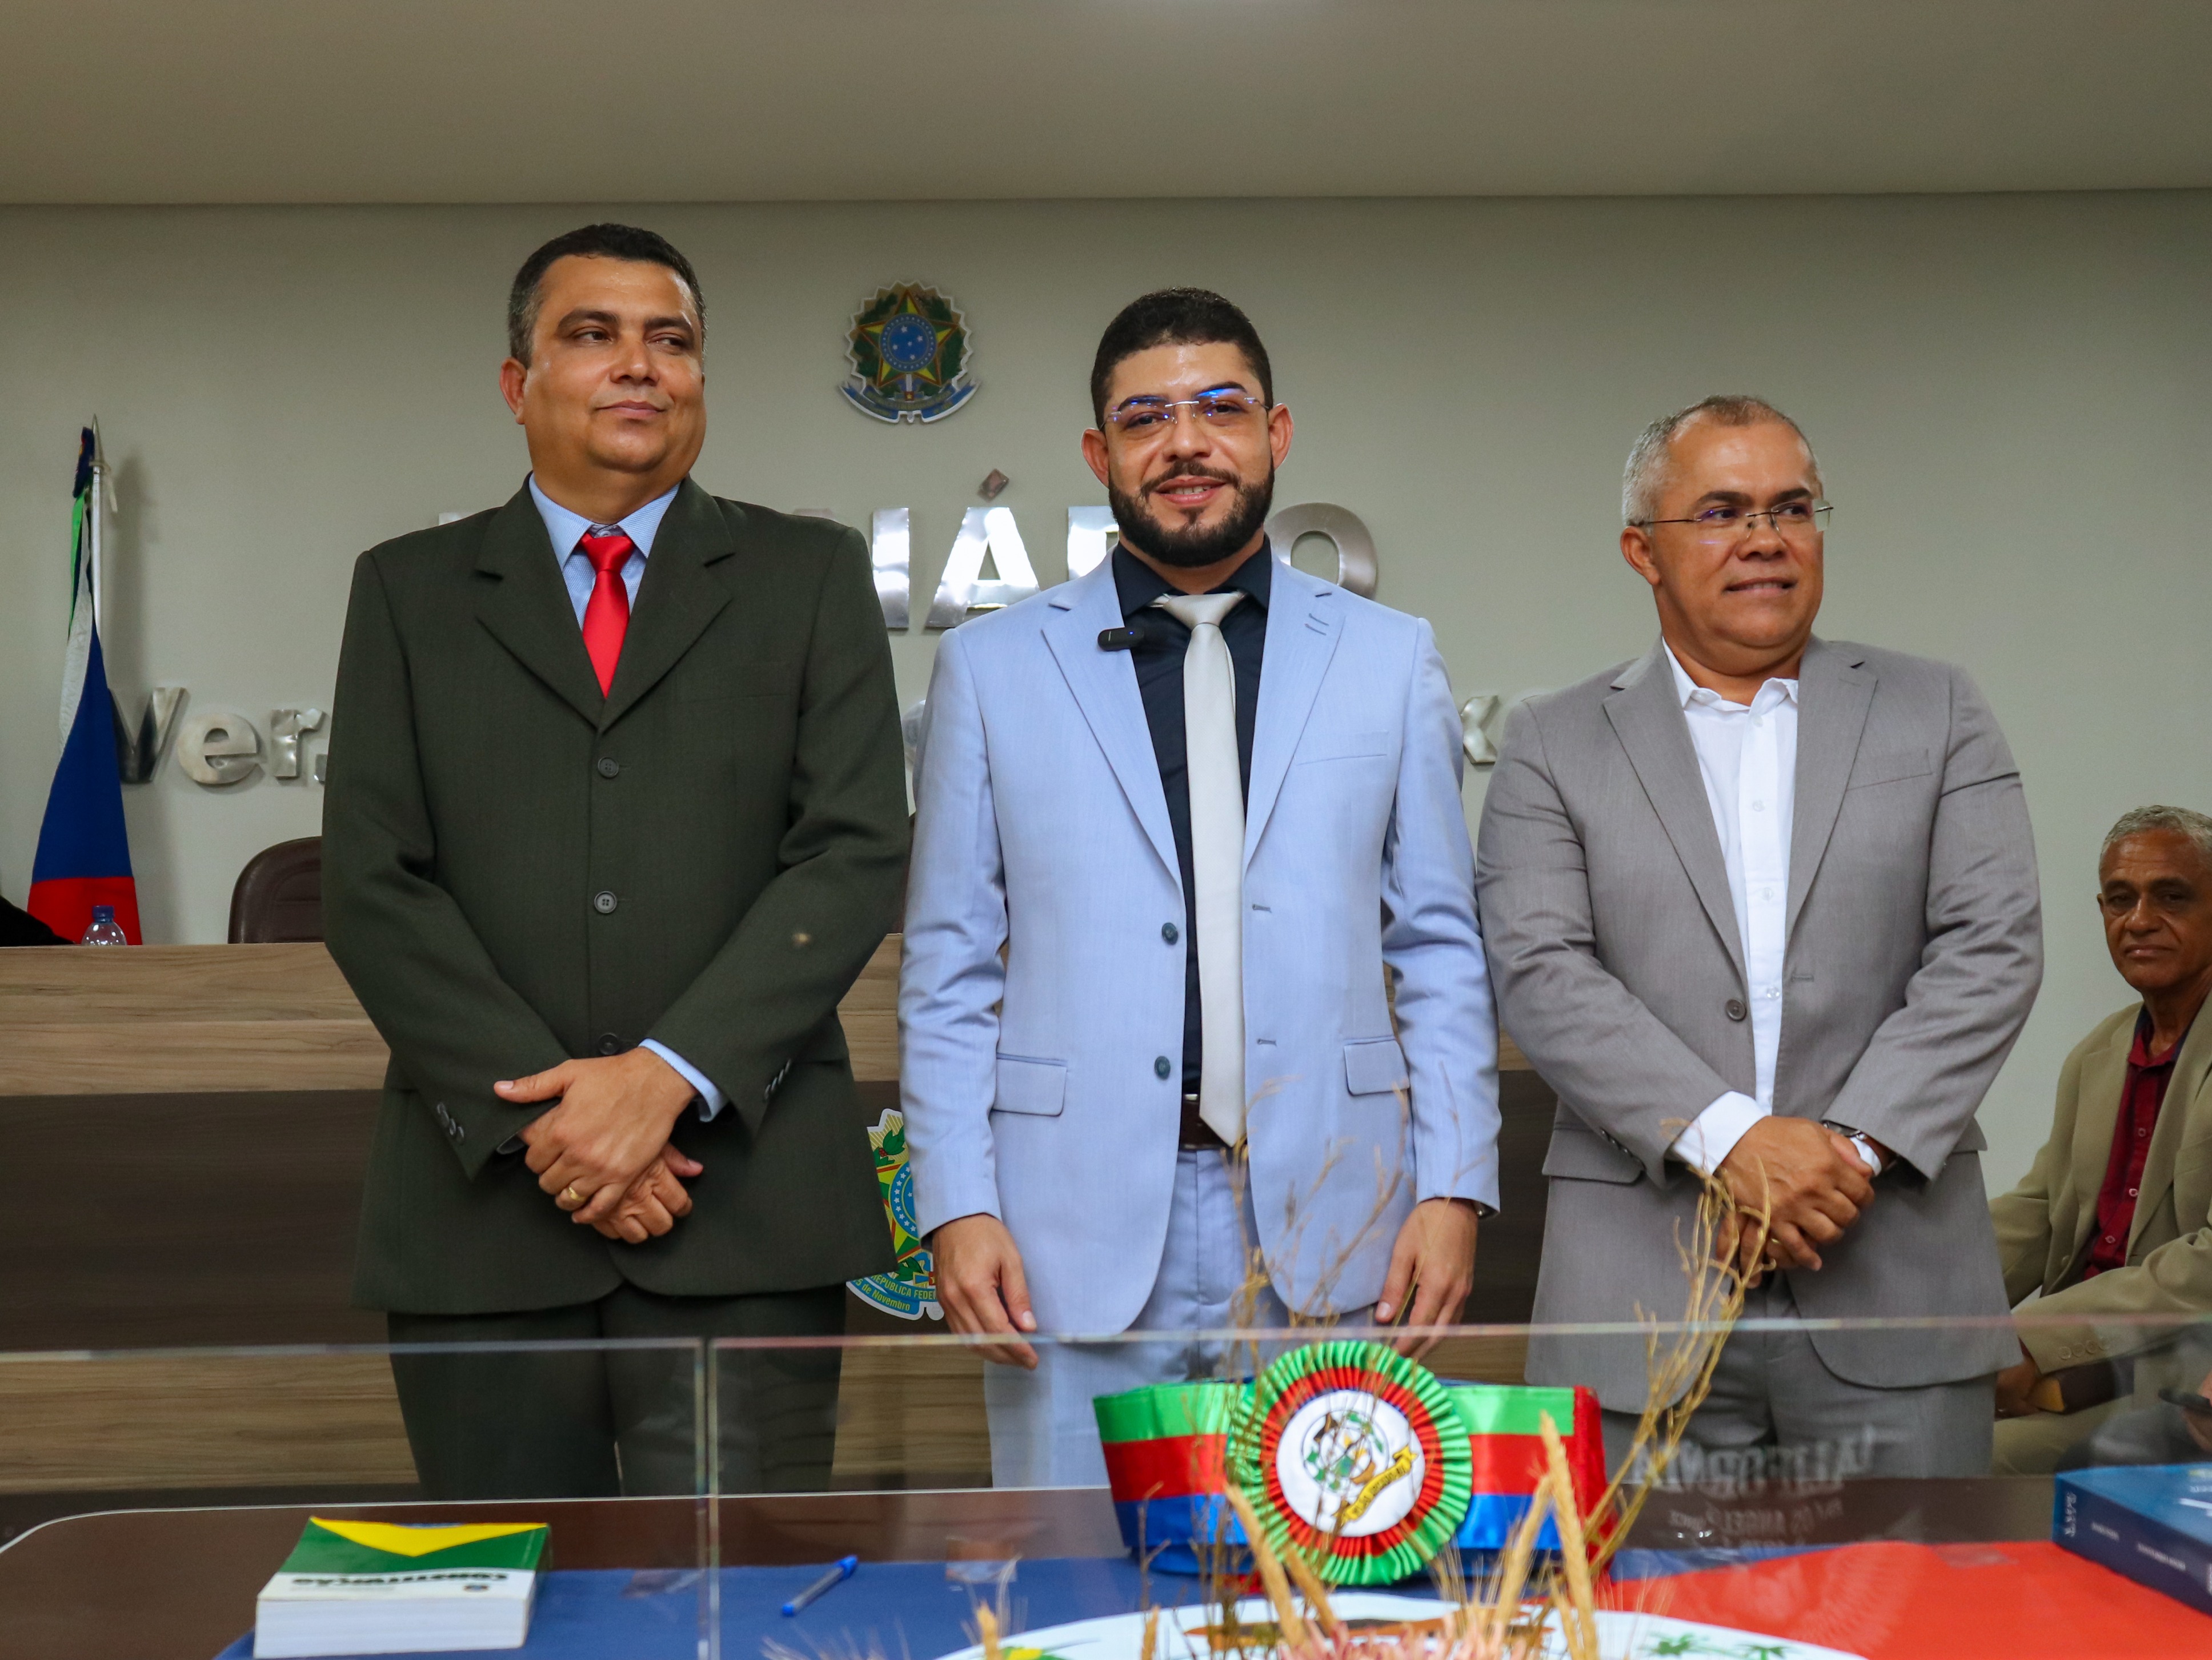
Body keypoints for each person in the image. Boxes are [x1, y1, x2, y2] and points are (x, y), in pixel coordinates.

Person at [322, 223, 907, 1499]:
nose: (639, 364)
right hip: (483, 1213)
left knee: (743, 1588)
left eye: (671, 340)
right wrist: (557, 1124)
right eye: (592, 334)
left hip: (744, 1212)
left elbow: (855, 850)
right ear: (517, 381)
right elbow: (371, 883)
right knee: (512, 1589)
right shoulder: (409, 591)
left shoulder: (809, 575)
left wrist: (662, 1080)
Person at [900, 288, 1499, 1486]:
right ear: (1099, 454)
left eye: (1220, 408)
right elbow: (949, 964)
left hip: (1339, 1212)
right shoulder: (991, 667)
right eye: (1146, 418)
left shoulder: (1390, 659)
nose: (1185, 442)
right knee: (1077, 1568)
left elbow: (1438, 947)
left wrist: (1453, 1187)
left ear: (1276, 433)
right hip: (1064, 1230)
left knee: (1326, 1562)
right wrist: (956, 1205)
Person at [1476, 394, 2041, 1480]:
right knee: (1639, 1594)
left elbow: (1993, 947)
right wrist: (1734, 1141)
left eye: (1791, 508)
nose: (1764, 538)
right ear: (1642, 550)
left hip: (1894, 1279)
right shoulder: (1552, 739)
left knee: (1914, 1590)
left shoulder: (1938, 709)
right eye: (1722, 511)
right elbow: (1541, 972)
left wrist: (1843, 1156)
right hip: (1639, 1297)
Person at [1990, 805, 2212, 1473]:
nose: (2138, 919)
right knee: (1874, 1420)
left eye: (2170, 896)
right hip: (2072, 1360)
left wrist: (2032, 1337)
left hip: (2179, 1374)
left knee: (1960, 1458)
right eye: (2119, 899)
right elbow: (2038, 1209)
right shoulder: (2098, 1051)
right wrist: (1922, 1298)